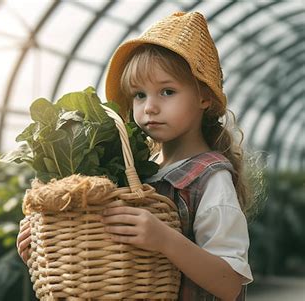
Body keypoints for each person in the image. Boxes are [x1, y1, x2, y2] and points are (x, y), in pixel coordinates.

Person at [18, 11, 253, 300]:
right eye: (139, 95)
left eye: (166, 91)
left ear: (204, 96)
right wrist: (46, 244)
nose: (149, 107)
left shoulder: (211, 178)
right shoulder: (142, 170)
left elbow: (230, 284)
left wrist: (165, 240)